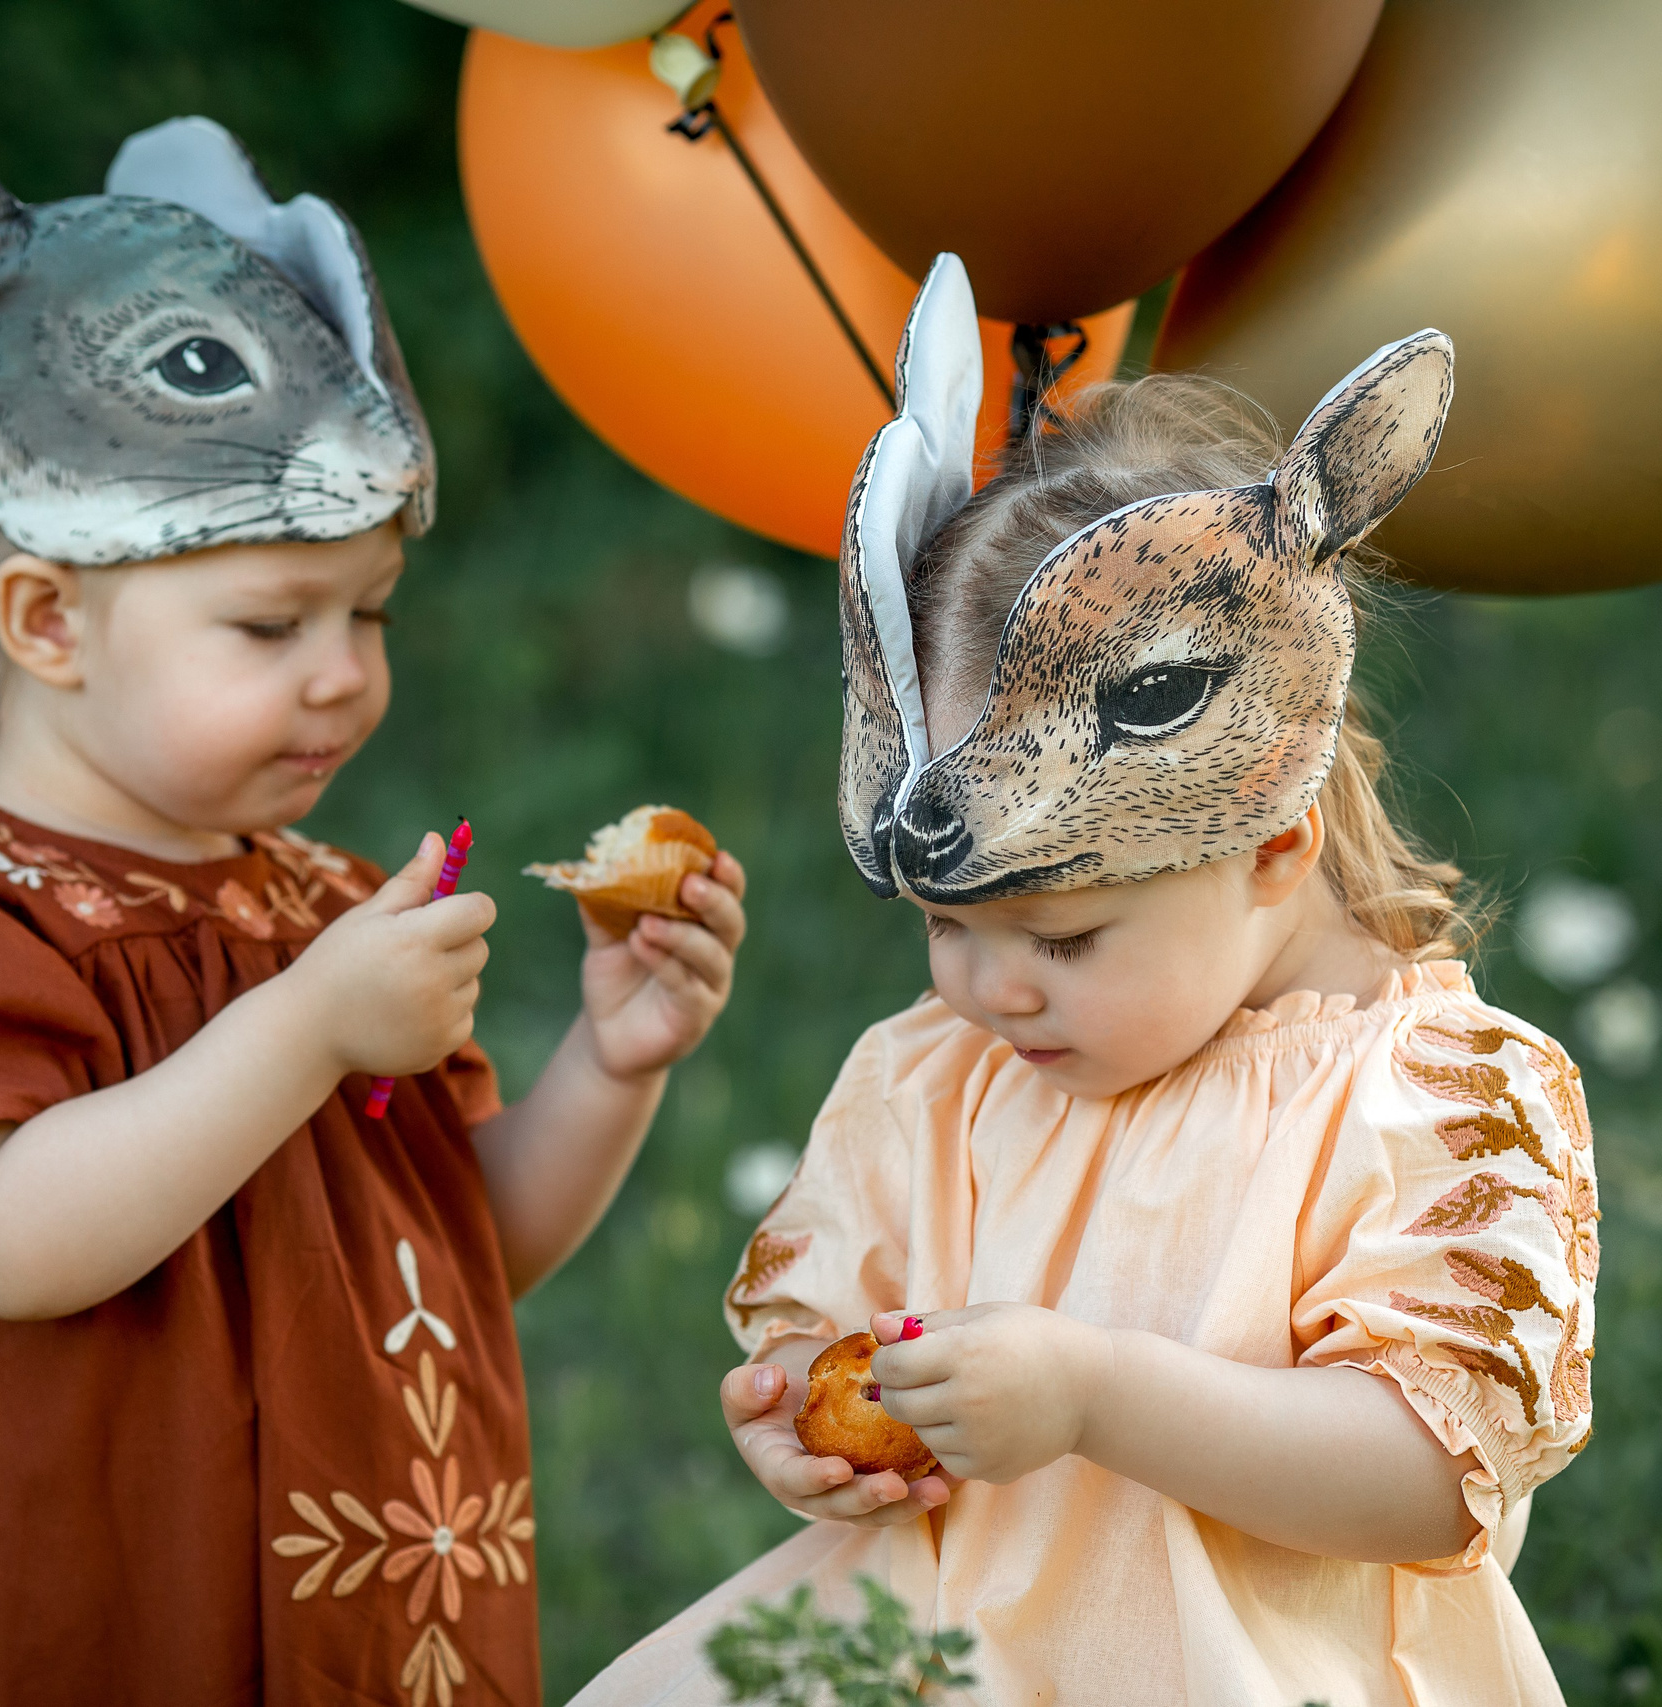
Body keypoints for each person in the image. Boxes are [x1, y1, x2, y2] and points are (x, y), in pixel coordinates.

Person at [0, 117, 743, 1706]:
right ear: (49, 622)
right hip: (96, 1629)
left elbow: (458, 1249)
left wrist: (615, 1064)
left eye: (369, 614)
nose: (344, 674)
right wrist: (310, 1027)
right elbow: (15, 1240)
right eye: (270, 626)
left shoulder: (314, 905)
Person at [578, 259, 1594, 1706]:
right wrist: (800, 1415)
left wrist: (1095, 1397)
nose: (990, 991)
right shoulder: (937, 1078)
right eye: (947, 926)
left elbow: (1429, 1477)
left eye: (1063, 941)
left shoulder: (1434, 1104)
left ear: (1273, 844)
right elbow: (827, 1326)